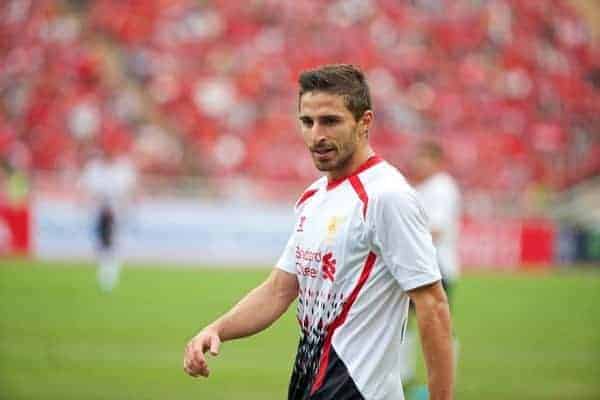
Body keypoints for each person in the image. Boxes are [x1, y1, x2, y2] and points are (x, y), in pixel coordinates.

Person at [183, 64, 454, 400]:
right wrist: (217, 329)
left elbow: (433, 305)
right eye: (307, 122)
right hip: (309, 388)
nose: (316, 134)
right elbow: (279, 290)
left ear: (364, 122)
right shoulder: (313, 197)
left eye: (330, 121)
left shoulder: (386, 197)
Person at [400, 141, 462, 397]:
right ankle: (404, 376)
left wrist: (400, 237)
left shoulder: (443, 187)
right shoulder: (424, 188)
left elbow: (437, 229)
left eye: (423, 158)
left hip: (437, 267)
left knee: (437, 325)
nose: (417, 163)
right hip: (418, 267)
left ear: (436, 160)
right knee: (402, 321)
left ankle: (443, 381)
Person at [80, 148, 137, 292]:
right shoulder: (95, 169)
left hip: (116, 214)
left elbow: (129, 193)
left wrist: (123, 207)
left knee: (112, 245)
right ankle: (107, 274)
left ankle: (109, 274)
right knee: (103, 245)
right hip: (100, 213)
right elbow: (88, 191)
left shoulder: (121, 170)